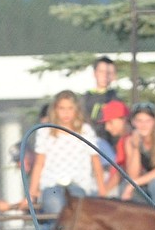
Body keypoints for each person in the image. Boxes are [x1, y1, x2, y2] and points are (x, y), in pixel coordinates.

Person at [28, 90, 106, 218]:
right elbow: (39, 164)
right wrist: (31, 194)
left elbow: (96, 162)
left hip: (79, 183)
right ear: (55, 110)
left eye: (70, 108)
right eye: (62, 108)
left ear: (76, 110)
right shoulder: (45, 132)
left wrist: (102, 191)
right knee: (55, 208)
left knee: (76, 211)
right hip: (52, 184)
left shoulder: (85, 130)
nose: (66, 113)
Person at [97, 100, 131, 196]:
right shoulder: (122, 141)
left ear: (123, 120)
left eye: (110, 122)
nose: (107, 128)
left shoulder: (130, 140)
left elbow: (120, 173)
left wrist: (104, 193)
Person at [80, 56, 119, 138]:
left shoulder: (116, 100)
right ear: (95, 73)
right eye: (101, 71)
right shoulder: (85, 99)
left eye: (109, 73)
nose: (105, 76)